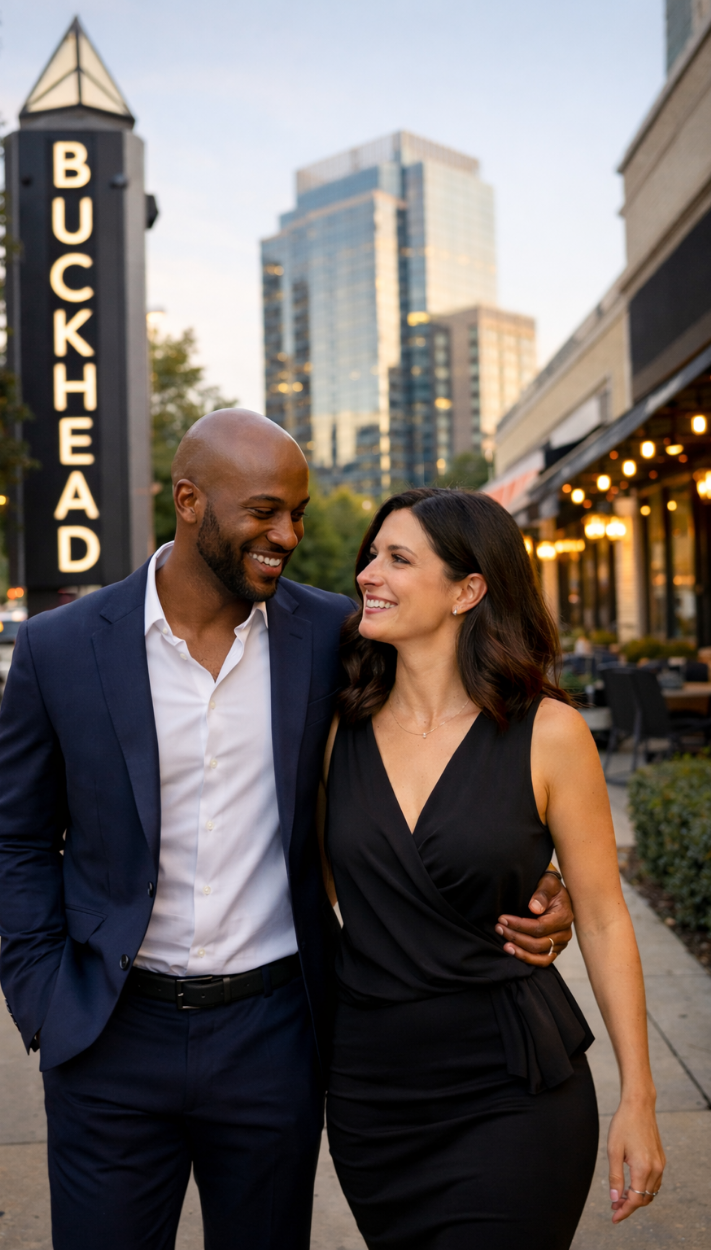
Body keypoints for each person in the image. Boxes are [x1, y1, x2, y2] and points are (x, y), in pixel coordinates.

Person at [0, 413, 576, 1250]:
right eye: (264, 511)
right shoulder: (61, 646)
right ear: (190, 501)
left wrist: (531, 872)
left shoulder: (335, 637)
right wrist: (41, 994)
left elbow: (449, 744)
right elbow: (17, 834)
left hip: (273, 1037)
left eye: (296, 514)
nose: (288, 536)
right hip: (110, 1033)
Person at [320, 486, 665, 1250]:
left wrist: (638, 1097)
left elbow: (604, 918)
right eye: (371, 556)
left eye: (398, 558)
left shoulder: (549, 732)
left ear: (467, 590)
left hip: (511, 1090)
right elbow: (323, 887)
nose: (368, 574)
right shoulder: (338, 729)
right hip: (373, 1100)